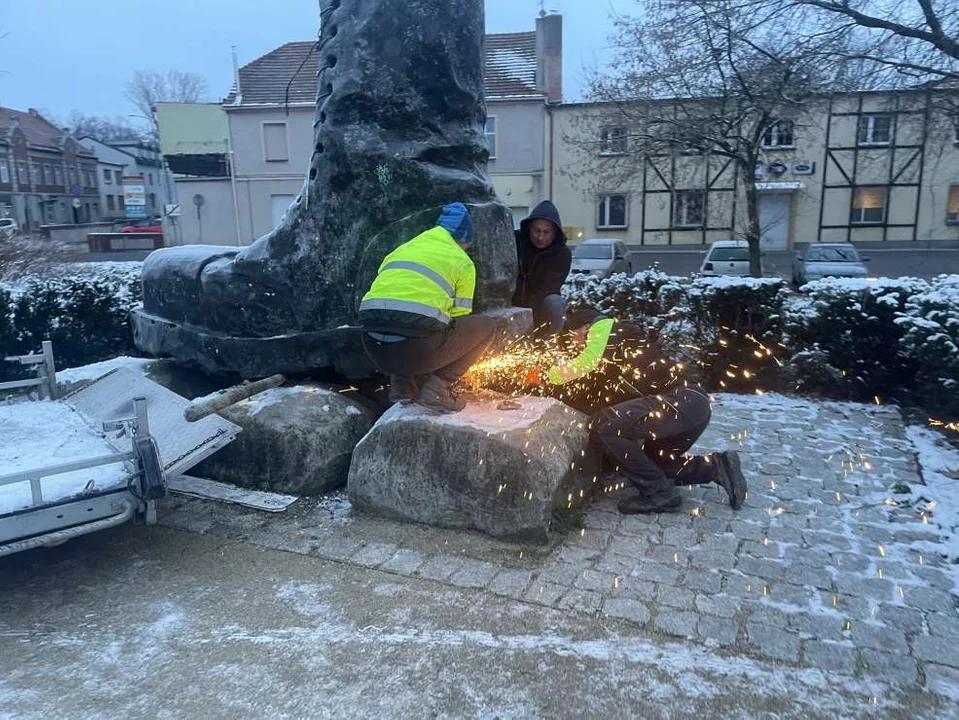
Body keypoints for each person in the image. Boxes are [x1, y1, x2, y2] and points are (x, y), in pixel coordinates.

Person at [538, 308, 748, 514]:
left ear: (583, 328)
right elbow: (599, 396)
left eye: (572, 340)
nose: (574, 349)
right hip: (692, 406)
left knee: (602, 425)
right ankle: (717, 467)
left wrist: (547, 376)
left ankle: (660, 494)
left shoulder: (605, 327)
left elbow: (587, 362)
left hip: (681, 401)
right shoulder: (616, 354)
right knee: (652, 466)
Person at [359, 203, 494, 413]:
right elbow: (458, 319)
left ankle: (402, 386)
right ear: (463, 239)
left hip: (373, 349)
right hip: (414, 352)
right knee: (486, 327)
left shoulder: (401, 250)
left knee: (401, 321)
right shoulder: (462, 262)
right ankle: (438, 389)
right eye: (468, 245)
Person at [512, 200, 572, 335]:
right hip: (510, 303)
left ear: (555, 232)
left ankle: (548, 339)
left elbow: (546, 290)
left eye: (546, 232)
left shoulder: (561, 254)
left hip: (541, 308)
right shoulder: (515, 242)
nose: (540, 237)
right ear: (529, 228)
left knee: (554, 302)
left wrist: (528, 323)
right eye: (536, 230)